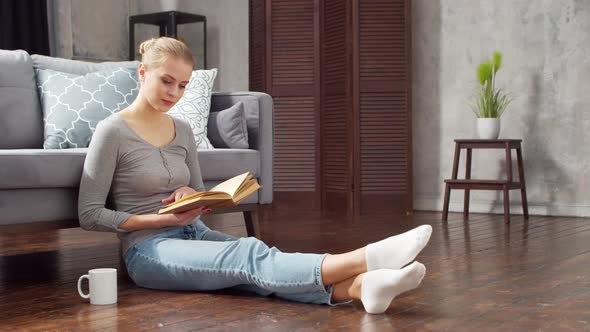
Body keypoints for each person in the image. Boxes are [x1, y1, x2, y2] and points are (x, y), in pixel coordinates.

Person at [78, 37, 432, 314]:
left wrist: (190, 192)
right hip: (149, 250)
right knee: (244, 261)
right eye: (166, 81)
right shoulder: (112, 131)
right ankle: (365, 258)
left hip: (194, 232)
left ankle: (360, 288)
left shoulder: (183, 130)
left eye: (183, 85)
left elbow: (199, 192)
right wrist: (156, 221)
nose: (174, 93)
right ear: (143, 73)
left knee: (252, 256)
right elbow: (90, 214)